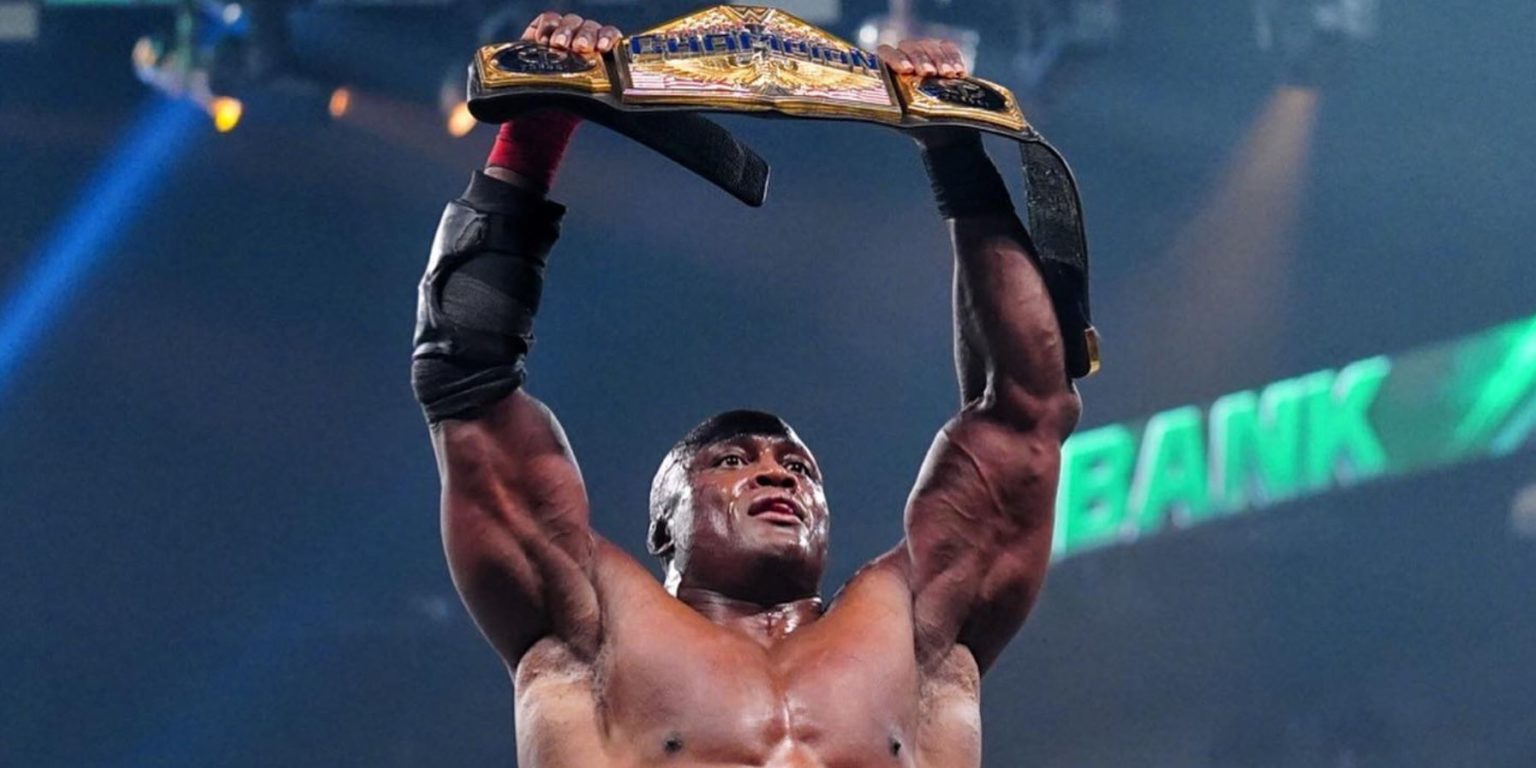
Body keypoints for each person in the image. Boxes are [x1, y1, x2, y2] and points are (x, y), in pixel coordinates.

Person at [410, 10, 1082, 766]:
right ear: (662, 526)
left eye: (798, 468)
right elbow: (463, 376)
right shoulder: (591, 625)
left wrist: (954, 146)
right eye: (730, 461)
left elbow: (1028, 409)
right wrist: (538, 126)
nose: (775, 474)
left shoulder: (915, 628)